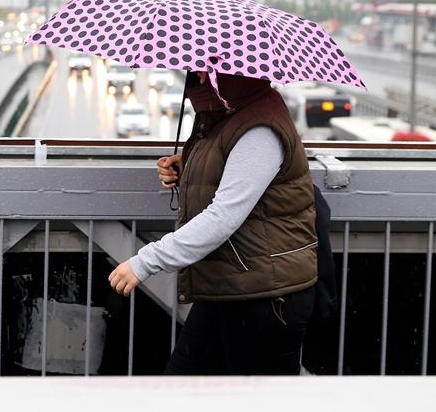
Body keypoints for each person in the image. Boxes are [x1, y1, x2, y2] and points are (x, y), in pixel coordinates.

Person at [108, 70, 318, 374]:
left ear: (230, 70)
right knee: (185, 398)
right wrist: (190, 167)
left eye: (203, 67)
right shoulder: (228, 114)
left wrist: (145, 261)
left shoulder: (260, 128)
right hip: (229, 285)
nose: (195, 74)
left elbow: (223, 216)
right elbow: (232, 171)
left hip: (266, 297)